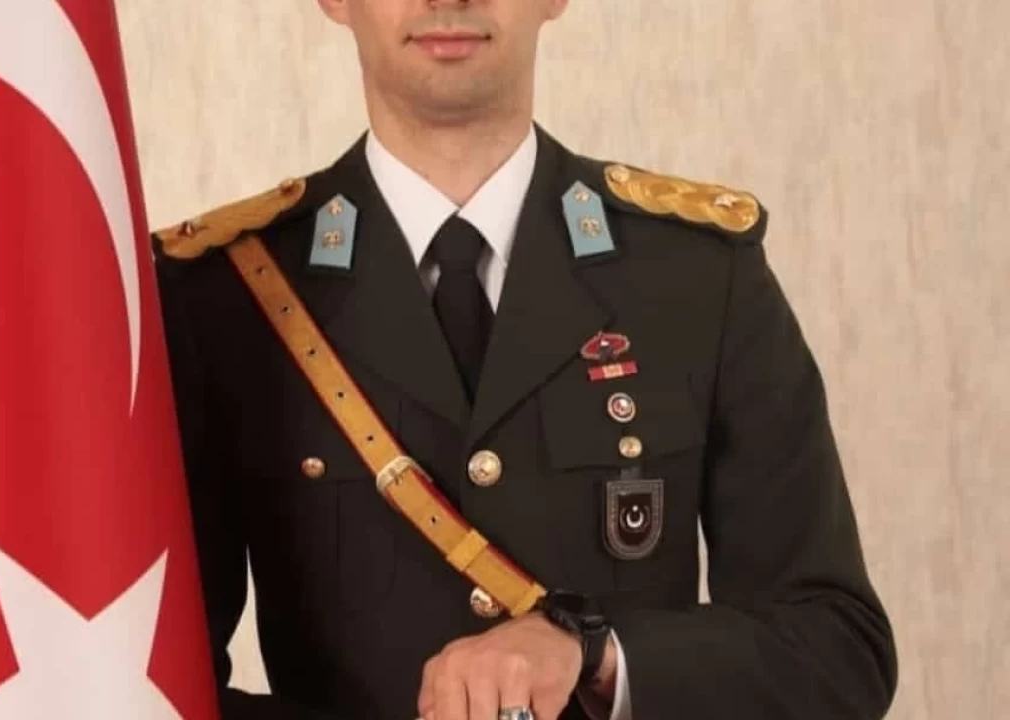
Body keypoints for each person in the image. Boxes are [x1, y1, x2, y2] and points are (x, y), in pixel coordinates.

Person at [151, 1, 898, 718]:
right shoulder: (225, 300)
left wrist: (600, 656)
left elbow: (838, 651)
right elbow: (147, 691)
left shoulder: (697, 276)